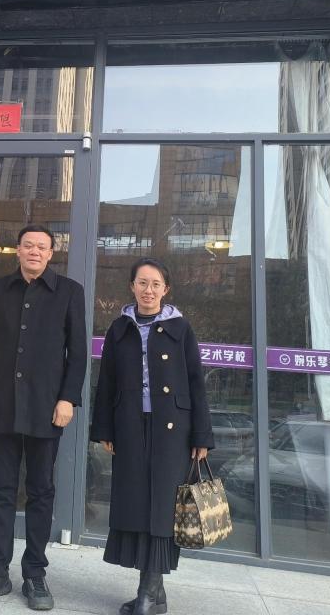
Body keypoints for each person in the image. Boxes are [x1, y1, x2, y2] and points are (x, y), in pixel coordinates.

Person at [0, 224, 87, 612]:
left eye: (42, 247)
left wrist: (68, 398)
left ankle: (35, 573)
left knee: (40, 490)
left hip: (46, 407)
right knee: (2, 489)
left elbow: (78, 353)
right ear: (17, 250)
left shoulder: (69, 292)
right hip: (2, 403)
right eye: (28, 245)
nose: (34, 251)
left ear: (51, 253)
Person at [90, 258, 213, 615]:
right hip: (130, 425)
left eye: (155, 284)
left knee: (162, 506)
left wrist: (201, 435)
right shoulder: (119, 328)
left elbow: (196, 382)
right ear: (132, 286)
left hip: (173, 429)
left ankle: (148, 593)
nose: (148, 290)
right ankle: (154, 594)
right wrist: (104, 428)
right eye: (142, 283)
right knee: (136, 504)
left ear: (165, 289)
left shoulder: (180, 328)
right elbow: (106, 381)